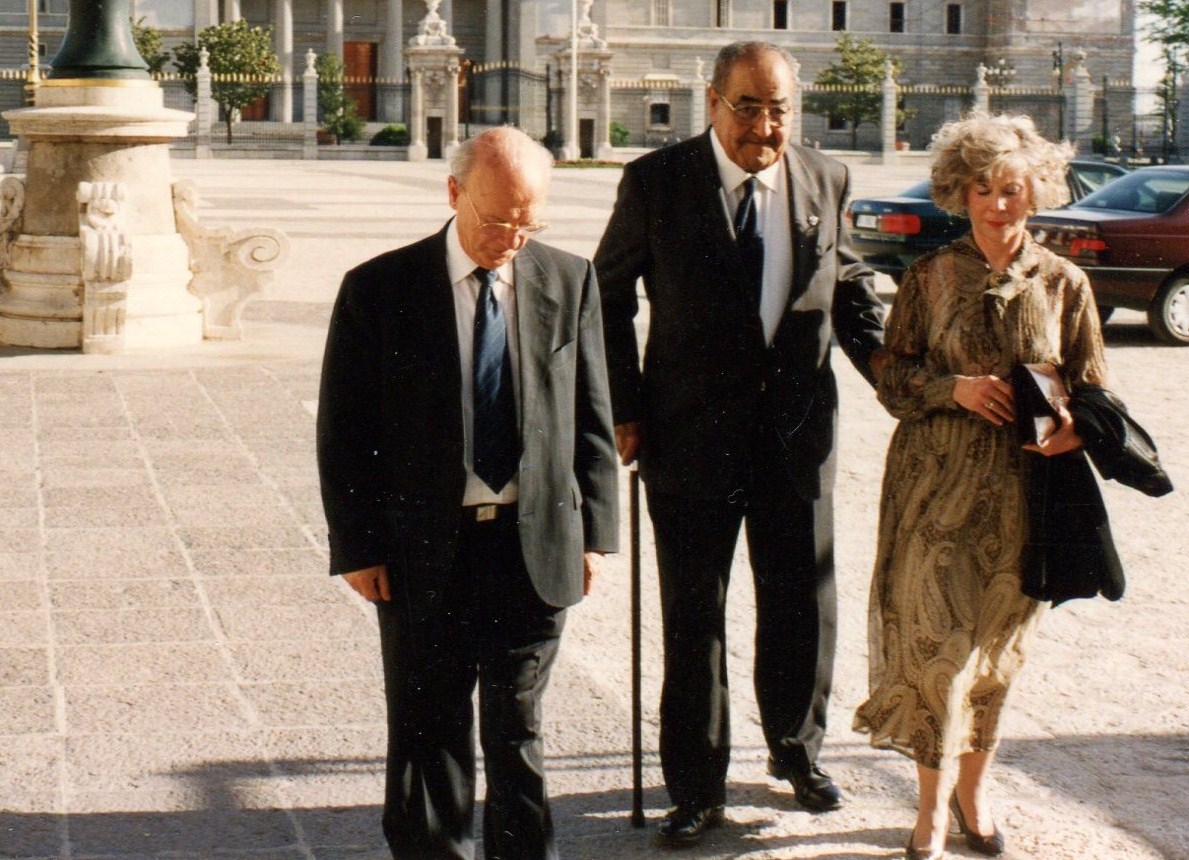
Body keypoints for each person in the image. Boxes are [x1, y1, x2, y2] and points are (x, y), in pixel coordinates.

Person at [594, 40, 885, 847]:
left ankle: (797, 752)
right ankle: (694, 787)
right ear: (712, 102)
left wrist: (893, 369)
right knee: (695, 616)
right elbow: (606, 297)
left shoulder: (824, 178)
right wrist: (622, 405)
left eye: (779, 108)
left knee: (801, 603)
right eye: (747, 107)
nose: (764, 125)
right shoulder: (656, 182)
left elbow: (848, 283)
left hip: (796, 437)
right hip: (687, 436)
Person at [317, 127, 618, 860]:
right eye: (495, 219)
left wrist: (596, 534)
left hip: (532, 541)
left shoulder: (568, 280)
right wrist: (358, 547)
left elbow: (591, 415)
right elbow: (343, 430)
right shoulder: (380, 289)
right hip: (423, 546)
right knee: (428, 727)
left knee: (518, 728)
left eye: (528, 221)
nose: (511, 238)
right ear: (453, 194)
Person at [852, 112, 1109, 860]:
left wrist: (1073, 428)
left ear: (1034, 192)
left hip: (1024, 501)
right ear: (958, 193)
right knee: (939, 651)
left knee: (995, 655)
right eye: (982, 188)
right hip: (933, 496)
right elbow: (891, 375)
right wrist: (952, 390)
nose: (998, 203)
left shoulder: (1066, 283)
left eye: (1011, 188)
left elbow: (1095, 388)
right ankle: (930, 809)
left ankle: (973, 794)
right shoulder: (927, 278)